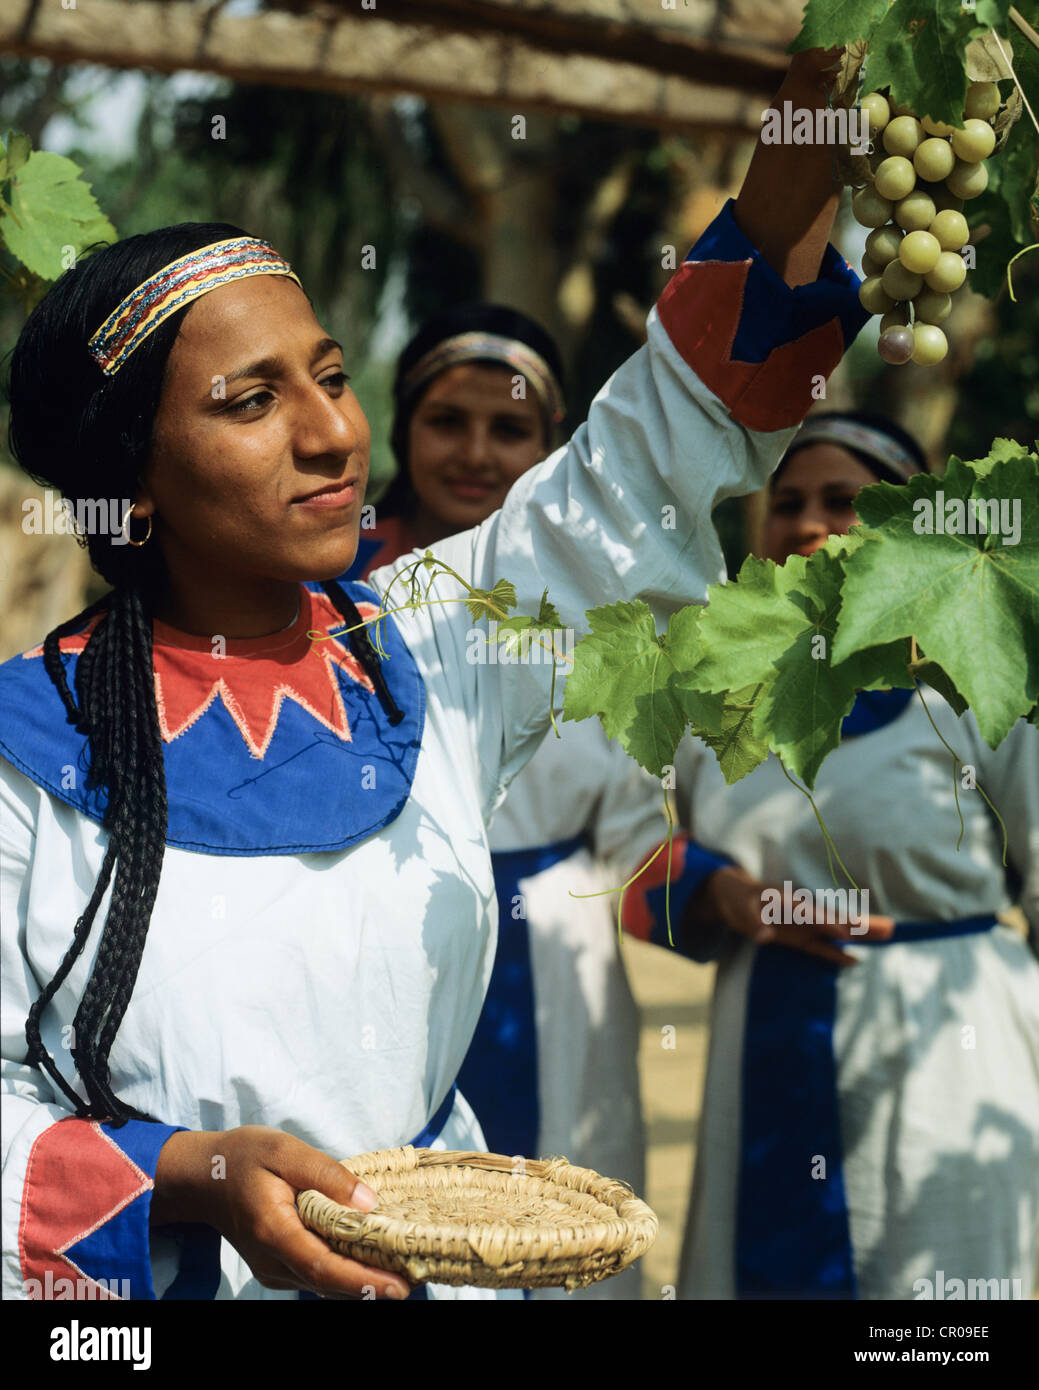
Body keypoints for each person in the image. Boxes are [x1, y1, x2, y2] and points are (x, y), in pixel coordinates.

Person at [0, 47, 868, 1302]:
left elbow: (640, 465)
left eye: (334, 376)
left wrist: (812, 116)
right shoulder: (33, 744)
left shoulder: (431, 643)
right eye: (252, 401)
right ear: (128, 479)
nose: (334, 432)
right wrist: (189, 1175)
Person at [351, 303, 686, 1299]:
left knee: (565, 1234)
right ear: (403, 428)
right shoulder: (334, 596)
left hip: (554, 958)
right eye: (447, 421)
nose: (476, 453)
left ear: (552, 444)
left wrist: (711, 896)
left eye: (511, 429)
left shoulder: (603, 604)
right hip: (383, 935)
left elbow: (638, 832)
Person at [670, 410, 1039, 1300]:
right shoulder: (715, 698)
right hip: (764, 1034)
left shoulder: (979, 680)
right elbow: (628, 859)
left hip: (948, 1049)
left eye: (844, 501)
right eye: (785, 501)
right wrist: (719, 894)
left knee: (934, 1306)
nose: (807, 524)